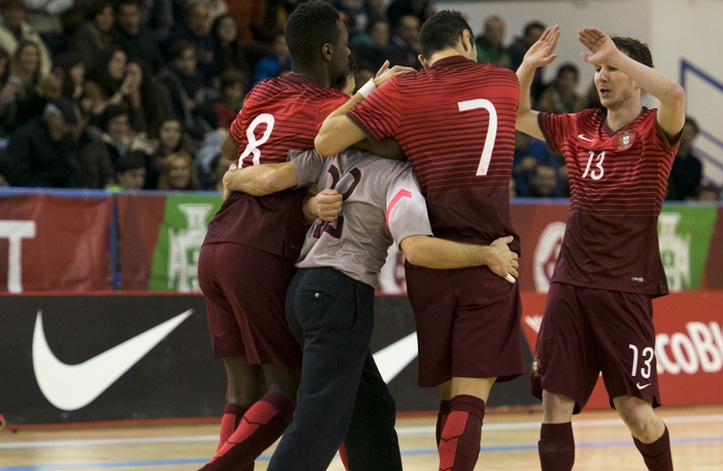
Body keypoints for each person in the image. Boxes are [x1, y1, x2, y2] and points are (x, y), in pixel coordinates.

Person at [222, 145, 519, 471]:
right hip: (339, 293)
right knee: (318, 425)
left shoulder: (328, 153)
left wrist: (235, 177)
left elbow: (271, 178)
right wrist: (487, 256)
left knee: (370, 408)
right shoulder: (398, 176)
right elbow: (417, 250)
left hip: (299, 290)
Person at [316, 10, 525, 471]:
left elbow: (326, 139)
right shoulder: (504, 81)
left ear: (422, 57)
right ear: (468, 40)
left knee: (451, 399)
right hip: (490, 255)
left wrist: (380, 93)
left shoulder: (405, 90)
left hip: (429, 260)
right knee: (469, 402)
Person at [515, 25, 685, 470]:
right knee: (555, 403)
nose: (602, 76)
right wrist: (527, 68)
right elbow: (517, 116)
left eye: (612, 68)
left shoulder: (655, 129)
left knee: (635, 413)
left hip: (624, 286)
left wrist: (620, 55)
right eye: (600, 69)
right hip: (570, 282)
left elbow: (675, 94)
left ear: (635, 76)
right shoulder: (580, 126)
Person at [195, 2, 357, 469]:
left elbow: (230, 152)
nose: (347, 52)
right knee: (288, 389)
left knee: (240, 388)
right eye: (344, 45)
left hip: (218, 241)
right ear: (329, 50)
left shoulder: (263, 89)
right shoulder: (330, 109)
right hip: (260, 246)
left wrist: (251, 175)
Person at [5, 97, 78, 187]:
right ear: (50, 116)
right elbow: (20, 175)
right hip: (31, 194)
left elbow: (70, 173)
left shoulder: (65, 141)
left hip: (58, 195)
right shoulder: (25, 137)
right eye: (64, 123)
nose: (65, 129)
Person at [665, 116, 702, 201]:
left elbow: (696, 189)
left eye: (689, 133)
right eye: (683, 132)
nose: (685, 137)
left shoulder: (696, 164)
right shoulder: (666, 159)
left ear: (694, 136)